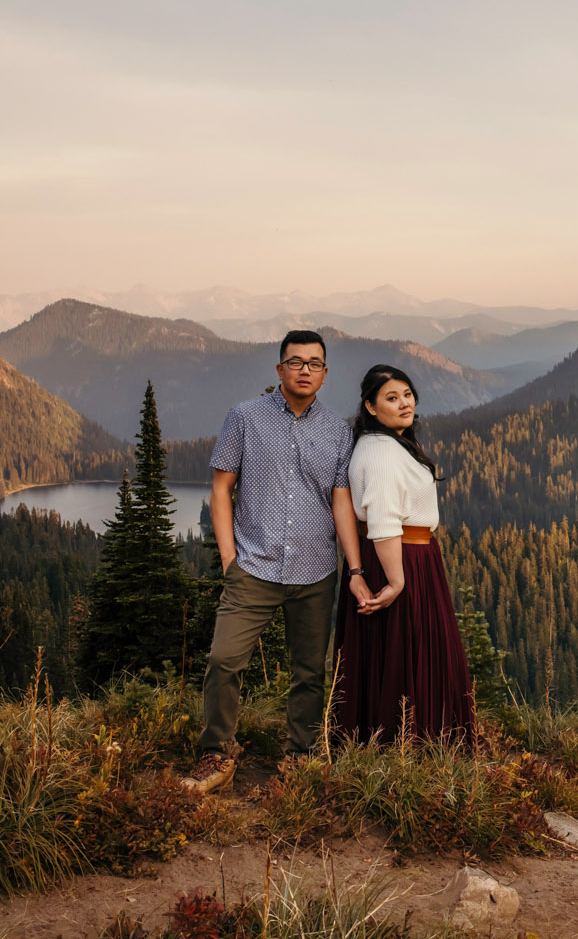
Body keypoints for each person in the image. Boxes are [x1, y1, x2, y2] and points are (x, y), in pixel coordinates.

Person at [182, 331, 357, 795]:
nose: (304, 370)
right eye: (295, 362)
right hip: (253, 567)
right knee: (223, 659)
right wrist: (228, 558)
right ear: (279, 369)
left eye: (314, 363)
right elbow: (221, 488)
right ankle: (217, 753)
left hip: (316, 568)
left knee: (309, 670)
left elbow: (341, 503)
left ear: (325, 373)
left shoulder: (338, 431)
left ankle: (299, 756)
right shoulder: (244, 417)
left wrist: (354, 568)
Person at [331, 363, 474, 742]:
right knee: (408, 652)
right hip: (401, 558)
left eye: (407, 394)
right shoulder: (381, 452)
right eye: (391, 398)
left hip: (405, 555)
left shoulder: (385, 443)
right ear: (371, 407)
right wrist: (396, 581)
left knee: (392, 653)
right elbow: (382, 519)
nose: (404, 403)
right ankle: (412, 744)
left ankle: (389, 743)